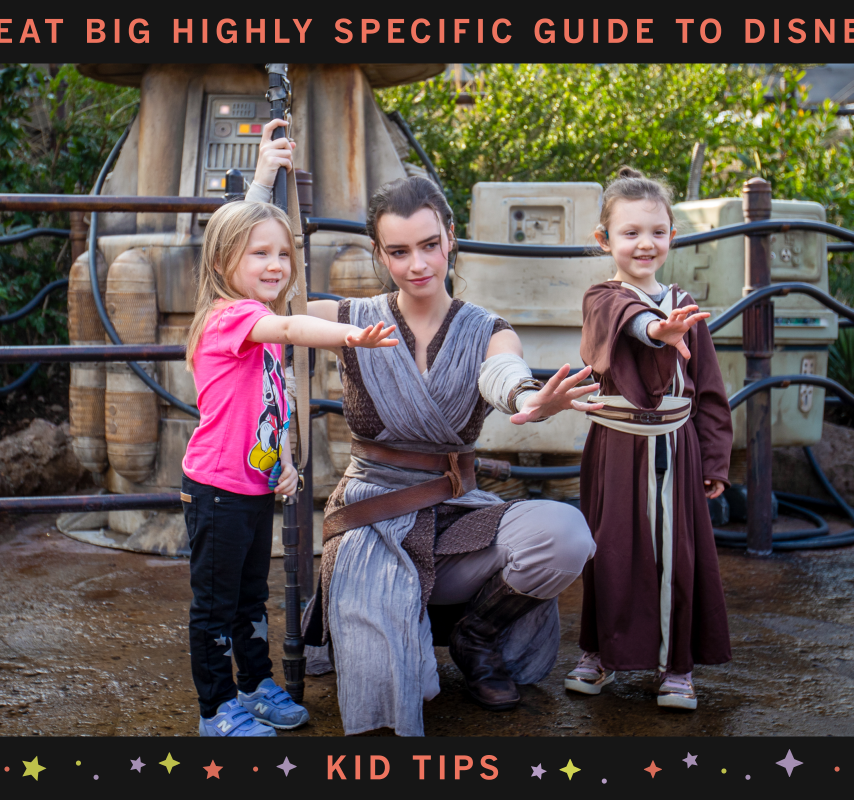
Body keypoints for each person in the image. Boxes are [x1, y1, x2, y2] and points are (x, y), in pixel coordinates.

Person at [251, 164, 601, 735]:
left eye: (430, 245)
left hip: (454, 515)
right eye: (399, 250)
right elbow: (243, 291)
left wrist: (529, 396)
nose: (417, 264)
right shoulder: (345, 319)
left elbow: (503, 373)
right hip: (372, 518)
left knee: (566, 535)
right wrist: (263, 187)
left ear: (450, 238)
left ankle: (478, 635)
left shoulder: (487, 328)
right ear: (380, 254)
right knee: (385, 684)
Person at [182, 119, 399, 737]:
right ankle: (215, 707)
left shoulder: (257, 315)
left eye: (285, 253)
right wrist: (350, 336)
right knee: (215, 608)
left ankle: (253, 684)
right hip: (217, 492)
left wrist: (284, 462)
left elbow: (270, 408)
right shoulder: (233, 318)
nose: (277, 264)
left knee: (251, 600)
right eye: (261, 255)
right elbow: (292, 327)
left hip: (252, 486)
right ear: (226, 262)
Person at [567, 166, 733, 710]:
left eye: (657, 232)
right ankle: (599, 652)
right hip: (616, 449)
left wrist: (714, 458)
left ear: (672, 237)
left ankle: (677, 668)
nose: (645, 243)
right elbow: (625, 320)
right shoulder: (602, 298)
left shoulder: (686, 304)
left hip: (677, 451)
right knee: (608, 552)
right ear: (604, 240)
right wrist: (657, 331)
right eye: (630, 232)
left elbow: (708, 389)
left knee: (678, 556)